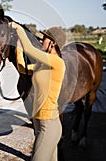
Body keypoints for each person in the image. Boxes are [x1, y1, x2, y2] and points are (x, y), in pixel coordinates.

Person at [10, 22, 66, 161]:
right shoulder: (43, 64)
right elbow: (23, 69)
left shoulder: (56, 62)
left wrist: (18, 29)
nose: (41, 40)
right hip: (40, 123)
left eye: (44, 38)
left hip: (48, 125)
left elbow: (29, 48)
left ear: (53, 43)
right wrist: (18, 48)